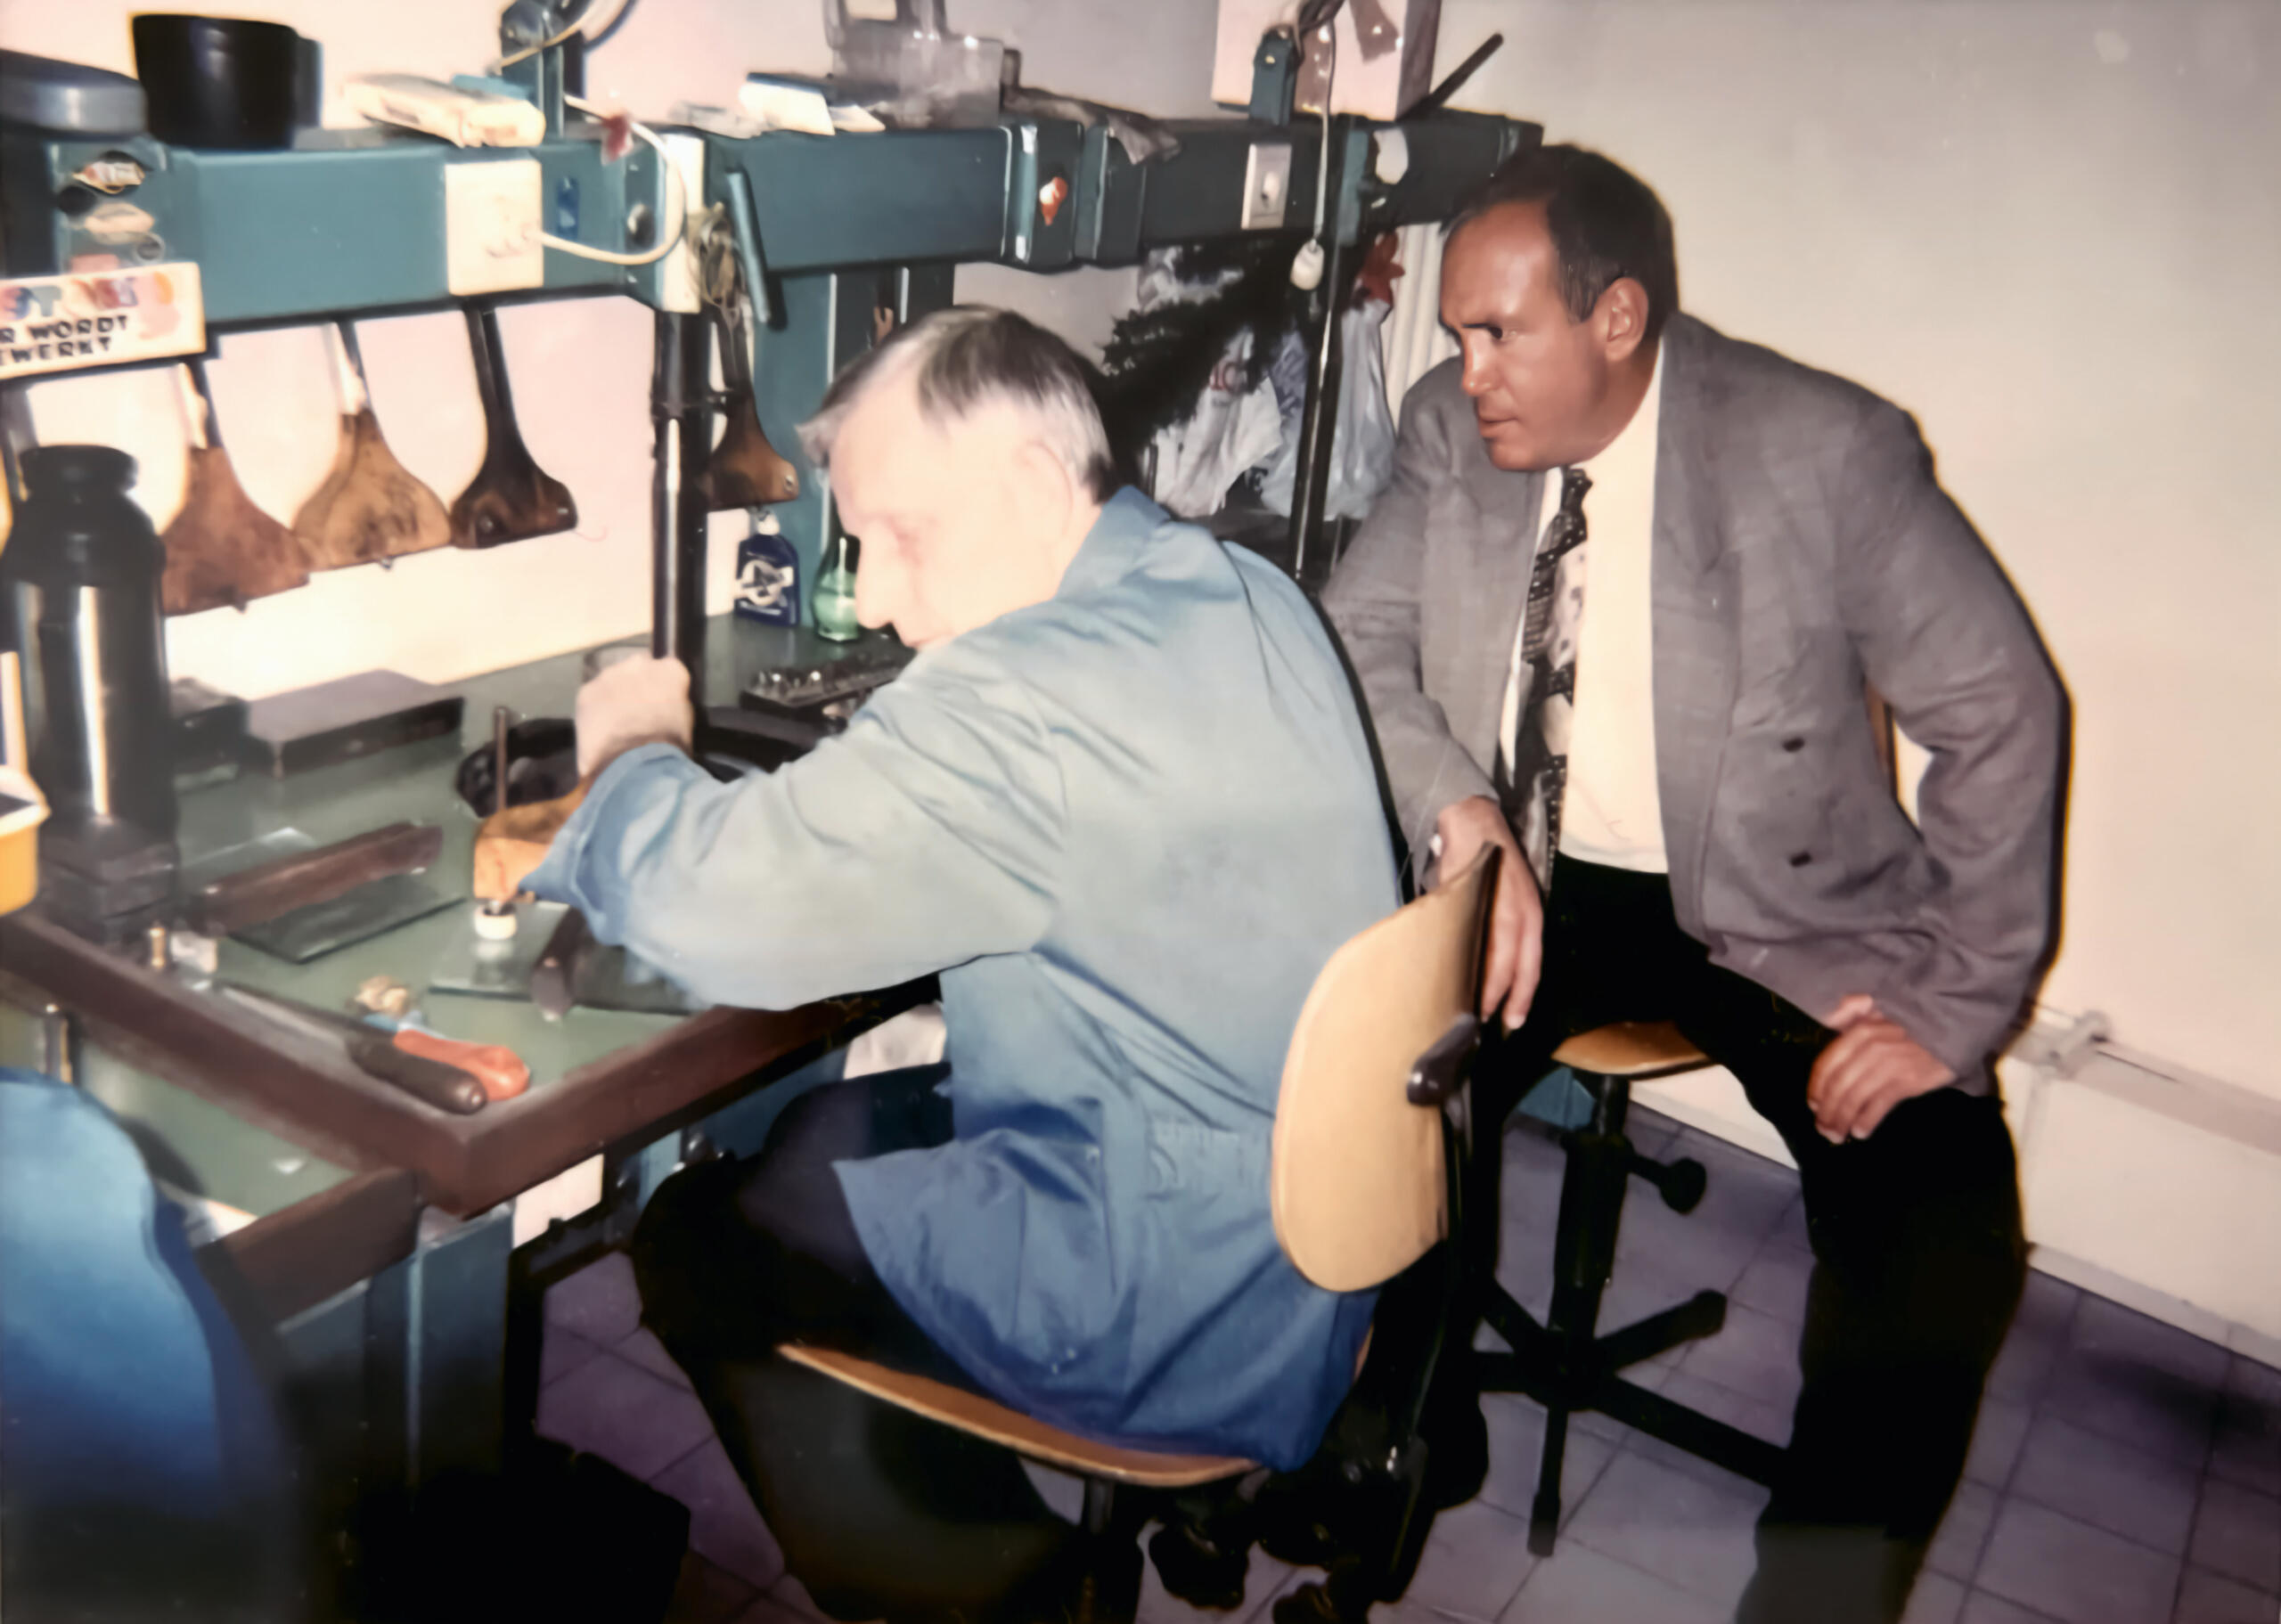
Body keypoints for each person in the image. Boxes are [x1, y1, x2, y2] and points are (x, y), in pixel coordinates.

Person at [519, 307, 1399, 1620]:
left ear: (1036, 486)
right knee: (823, 1129)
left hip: (1163, 1294)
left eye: (898, 538)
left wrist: (635, 756)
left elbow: (724, 914)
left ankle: (988, 1587)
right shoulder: (1241, 587)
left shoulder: (1018, 697)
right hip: (1309, 1233)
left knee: (699, 1234)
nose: (872, 597)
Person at [1322, 146, 2064, 1623]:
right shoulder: (1443, 432)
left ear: (1617, 319)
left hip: (1789, 916)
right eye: (1457, 334)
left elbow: (2004, 710)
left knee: (1938, 1236)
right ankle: (1397, 1443)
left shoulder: (1823, 449)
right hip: (1534, 876)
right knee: (1387, 1091)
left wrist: (1950, 1000)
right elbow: (1359, 638)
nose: (1466, 372)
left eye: (1500, 334)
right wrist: (1465, 810)